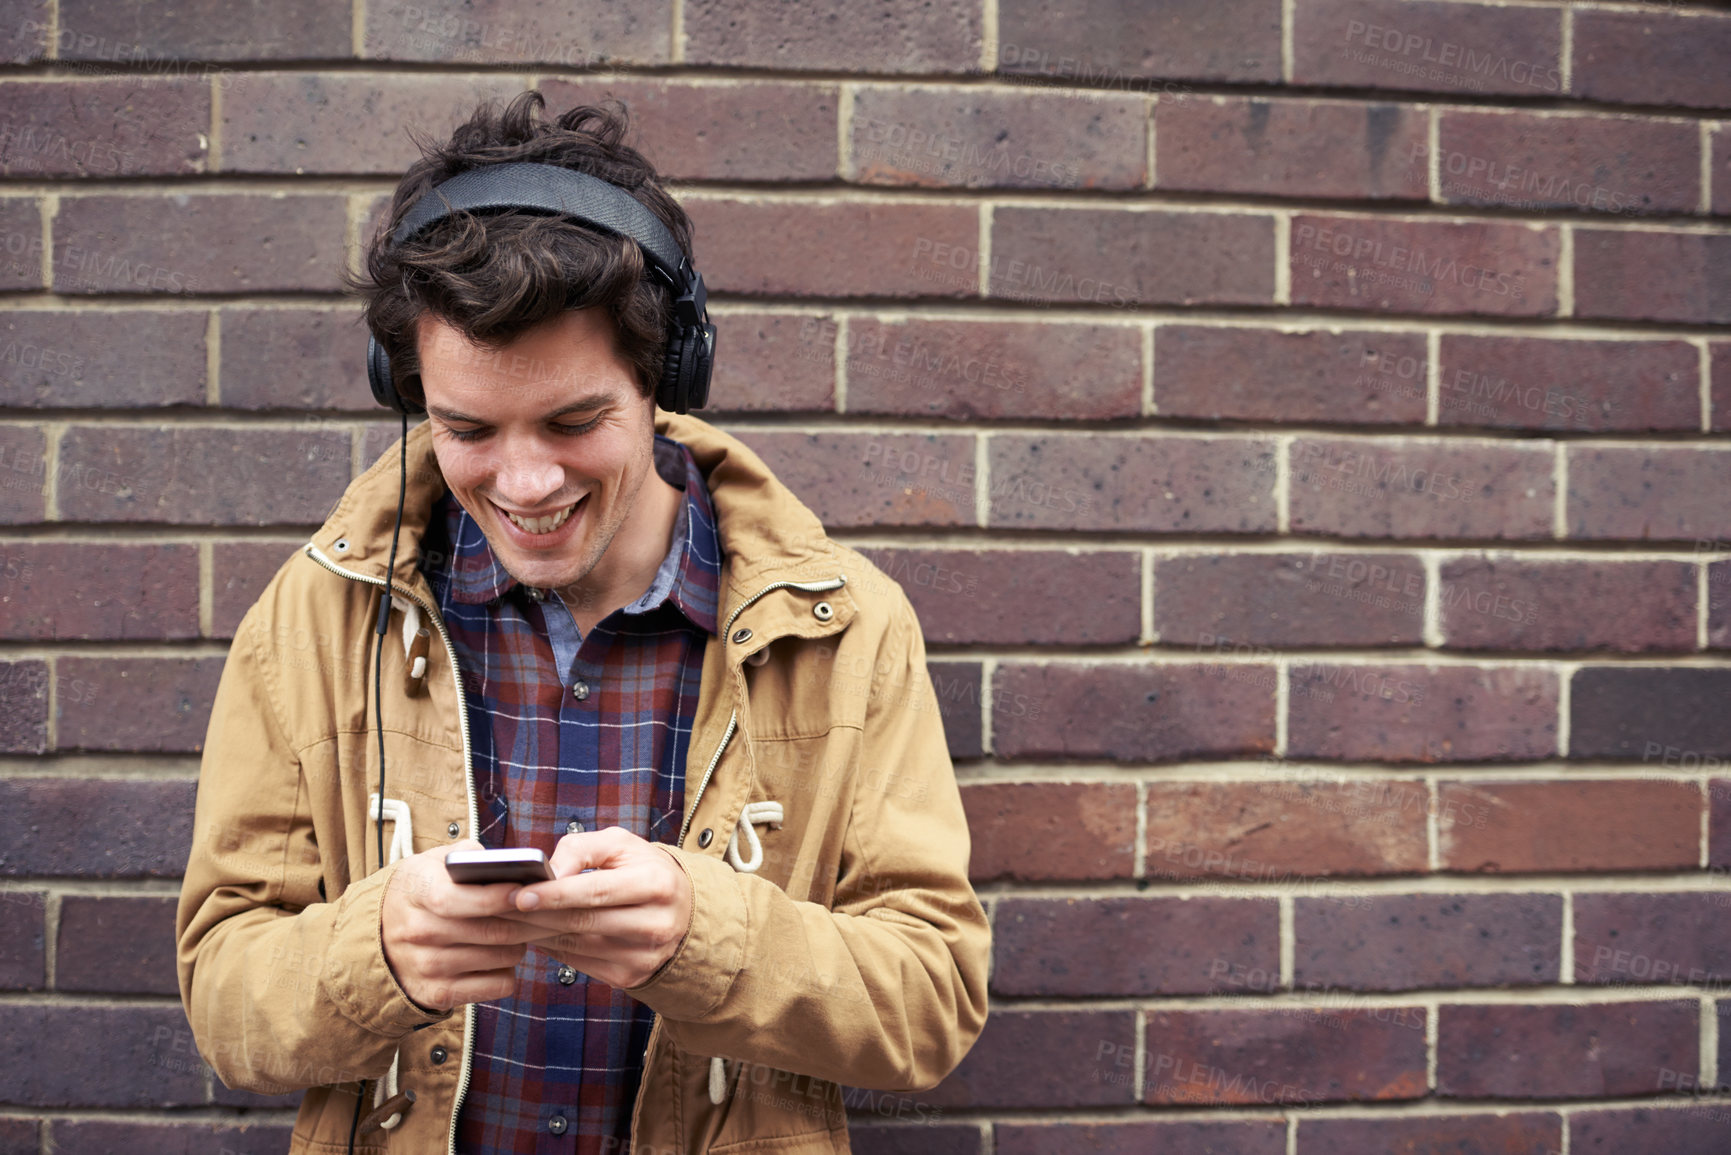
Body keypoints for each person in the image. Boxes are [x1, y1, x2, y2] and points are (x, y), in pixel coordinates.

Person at [175, 91, 990, 1155]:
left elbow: (931, 1007)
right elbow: (225, 1004)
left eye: (574, 422)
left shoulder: (849, 632)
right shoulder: (312, 621)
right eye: (467, 428)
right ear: (408, 389)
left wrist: (712, 937)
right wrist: (370, 951)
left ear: (666, 379)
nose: (523, 481)